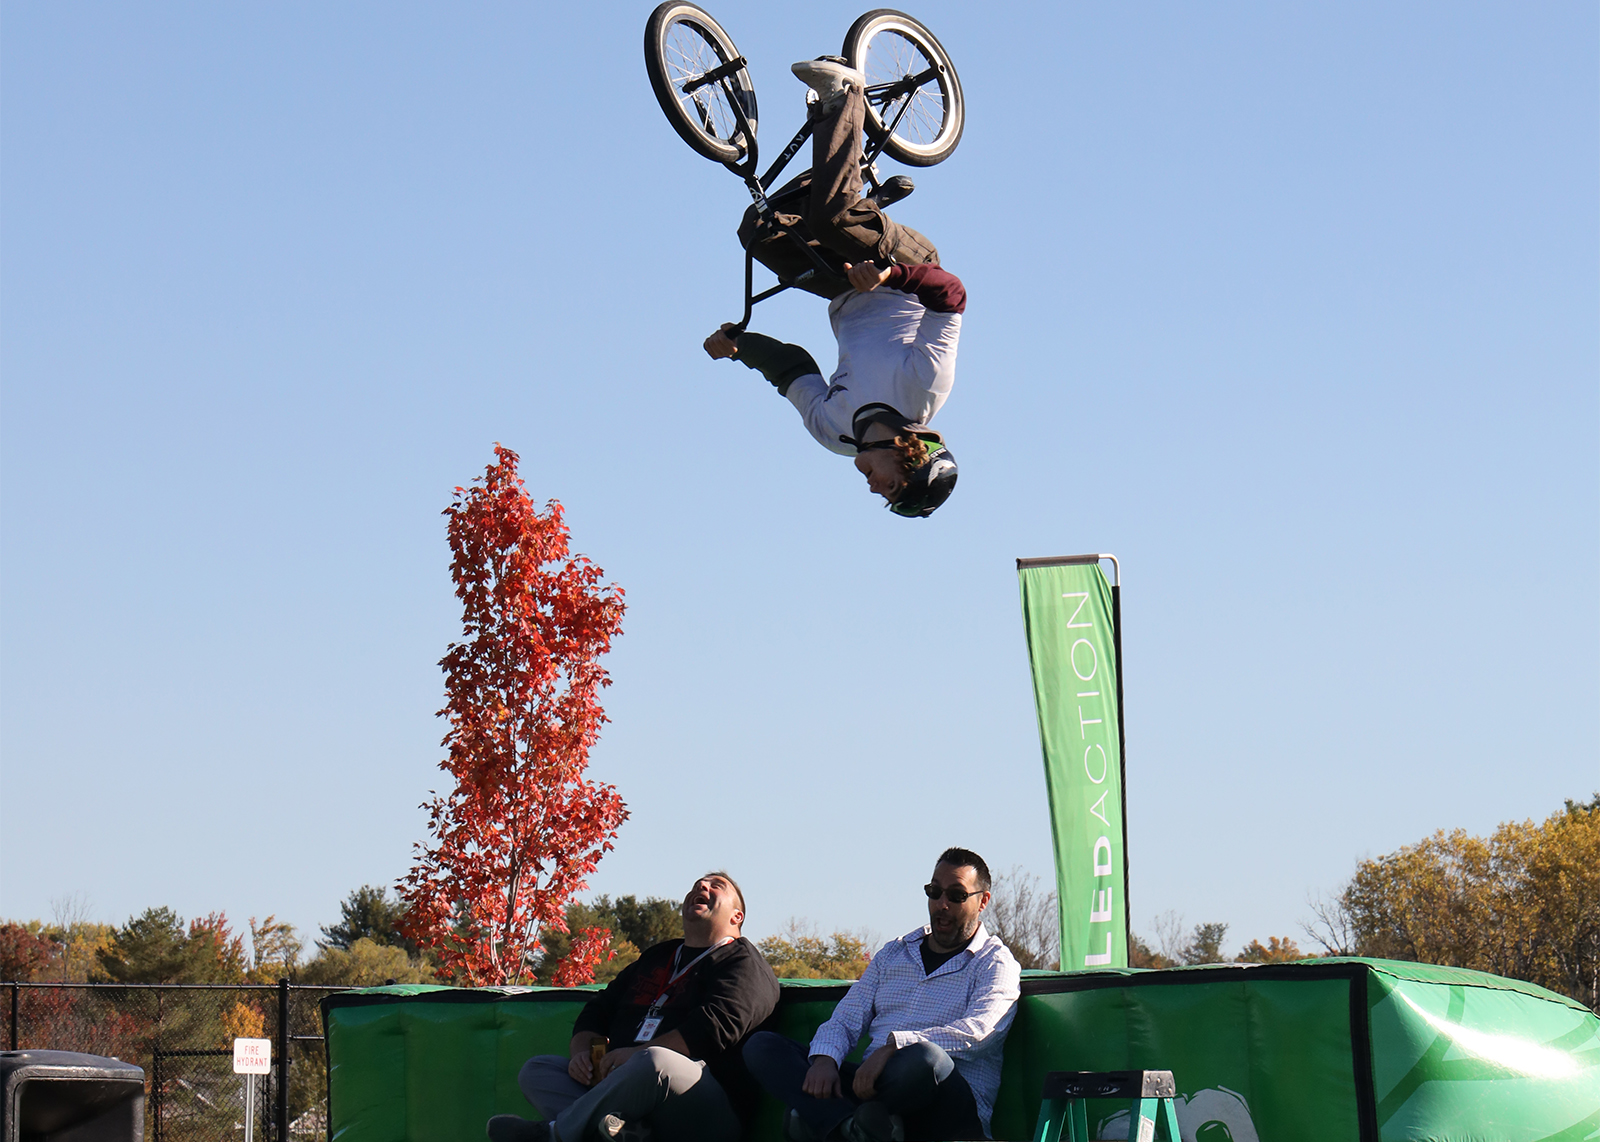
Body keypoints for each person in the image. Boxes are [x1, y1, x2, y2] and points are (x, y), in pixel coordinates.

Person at [703, 59, 966, 519]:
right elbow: (951, 295)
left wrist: (739, 346)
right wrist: (891, 277)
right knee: (834, 218)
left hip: (842, 289)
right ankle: (844, 96)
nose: (873, 490)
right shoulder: (923, 390)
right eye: (889, 488)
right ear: (911, 458)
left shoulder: (834, 433)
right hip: (905, 270)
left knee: (757, 232)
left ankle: (850, 171)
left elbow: (791, 369)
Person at [743, 848, 1021, 1142]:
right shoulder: (894, 953)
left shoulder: (995, 962)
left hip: (943, 1103)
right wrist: (824, 1060)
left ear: (983, 902)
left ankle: (840, 1124)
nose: (942, 904)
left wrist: (894, 1046)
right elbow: (848, 1017)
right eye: (934, 891)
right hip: (873, 1090)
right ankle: (850, 1127)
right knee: (762, 1046)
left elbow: (979, 1033)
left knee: (927, 1058)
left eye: (956, 896)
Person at [488, 872, 779, 1142]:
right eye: (697, 885)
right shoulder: (659, 956)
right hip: (624, 1081)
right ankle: (628, 1133)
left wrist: (635, 1055)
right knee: (538, 1070)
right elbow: (599, 1008)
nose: (702, 887)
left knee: (655, 1062)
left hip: (700, 1106)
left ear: (736, 916)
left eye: (716, 886)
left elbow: (716, 1026)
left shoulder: (744, 962)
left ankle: (555, 1134)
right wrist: (582, 1056)